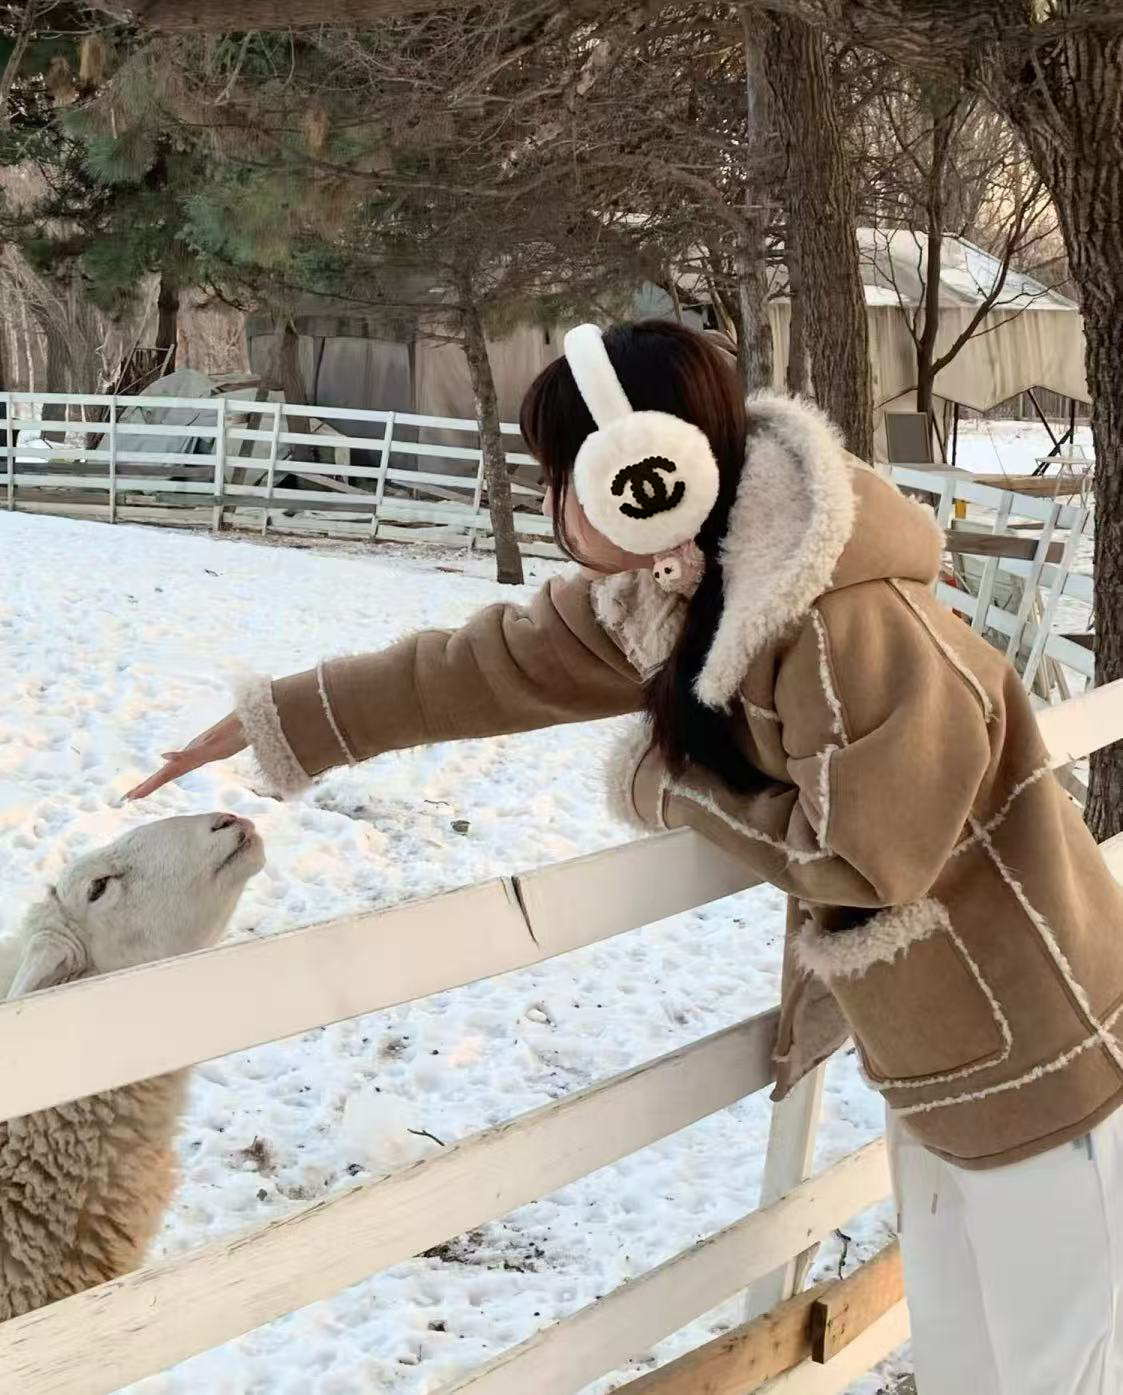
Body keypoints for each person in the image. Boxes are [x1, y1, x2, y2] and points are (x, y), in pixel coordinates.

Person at [129, 320, 1123, 1395]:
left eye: (559, 474)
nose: (548, 500)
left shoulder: (848, 625)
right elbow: (486, 666)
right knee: (973, 1366)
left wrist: (670, 786)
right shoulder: (683, 586)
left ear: (639, 475)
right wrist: (283, 719)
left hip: (1056, 1064)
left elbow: (866, 862)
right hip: (942, 1064)